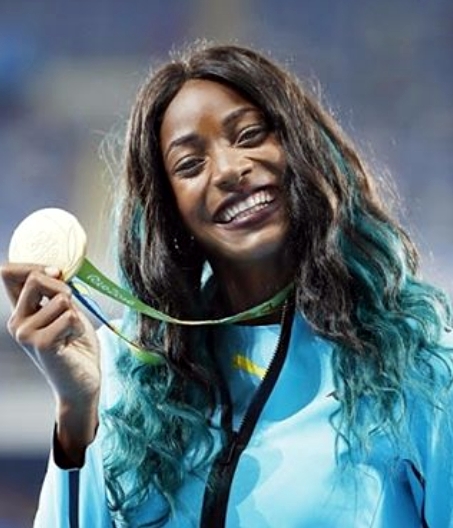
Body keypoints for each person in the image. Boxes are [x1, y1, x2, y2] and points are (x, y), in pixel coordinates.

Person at [2, 42, 453, 528]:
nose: (229, 170)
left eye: (250, 135)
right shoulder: (125, 369)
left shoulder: (418, 367)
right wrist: (76, 414)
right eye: (190, 165)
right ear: (170, 209)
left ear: (301, 147)